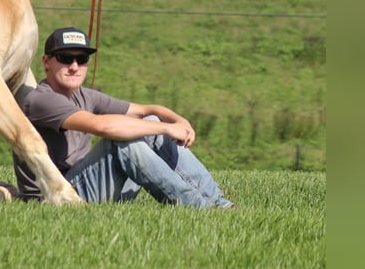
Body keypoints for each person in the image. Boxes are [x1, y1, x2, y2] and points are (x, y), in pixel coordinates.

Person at [13, 26, 234, 208]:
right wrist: (167, 129)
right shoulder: (41, 100)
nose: (74, 66)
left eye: (81, 59)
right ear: (46, 62)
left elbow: (148, 110)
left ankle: (221, 204)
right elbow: (102, 127)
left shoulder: (84, 95)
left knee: (151, 122)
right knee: (123, 144)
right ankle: (200, 209)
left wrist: (178, 121)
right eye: (65, 58)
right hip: (54, 197)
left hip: (86, 185)